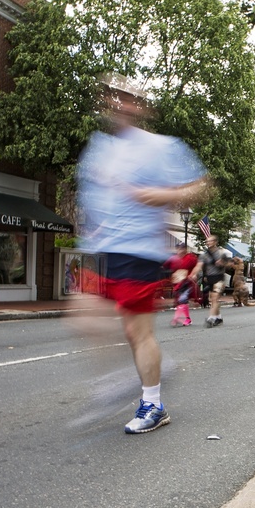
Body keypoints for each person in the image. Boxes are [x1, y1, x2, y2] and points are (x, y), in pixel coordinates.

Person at [77, 73, 211, 434]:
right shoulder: (100, 147)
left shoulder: (160, 146)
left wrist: (159, 196)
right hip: (102, 249)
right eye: (112, 96)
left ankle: (152, 402)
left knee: (138, 331)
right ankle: (130, 373)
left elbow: (201, 186)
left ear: (141, 106)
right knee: (84, 317)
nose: (119, 103)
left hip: (138, 250)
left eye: (127, 97)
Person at [193, 234, 231, 328]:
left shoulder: (222, 253)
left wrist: (223, 263)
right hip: (209, 278)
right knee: (213, 299)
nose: (208, 243)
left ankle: (211, 318)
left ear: (215, 242)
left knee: (214, 298)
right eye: (207, 241)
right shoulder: (204, 255)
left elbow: (230, 265)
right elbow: (199, 266)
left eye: (210, 241)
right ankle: (218, 317)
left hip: (219, 278)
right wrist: (193, 274)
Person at [165, 243, 198, 326]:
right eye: (178, 249)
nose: (179, 251)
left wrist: (194, 274)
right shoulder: (174, 259)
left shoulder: (190, 258)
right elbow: (165, 266)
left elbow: (197, 266)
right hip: (177, 283)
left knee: (182, 299)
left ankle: (176, 318)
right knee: (180, 301)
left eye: (181, 249)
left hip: (187, 282)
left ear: (185, 249)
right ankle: (187, 318)